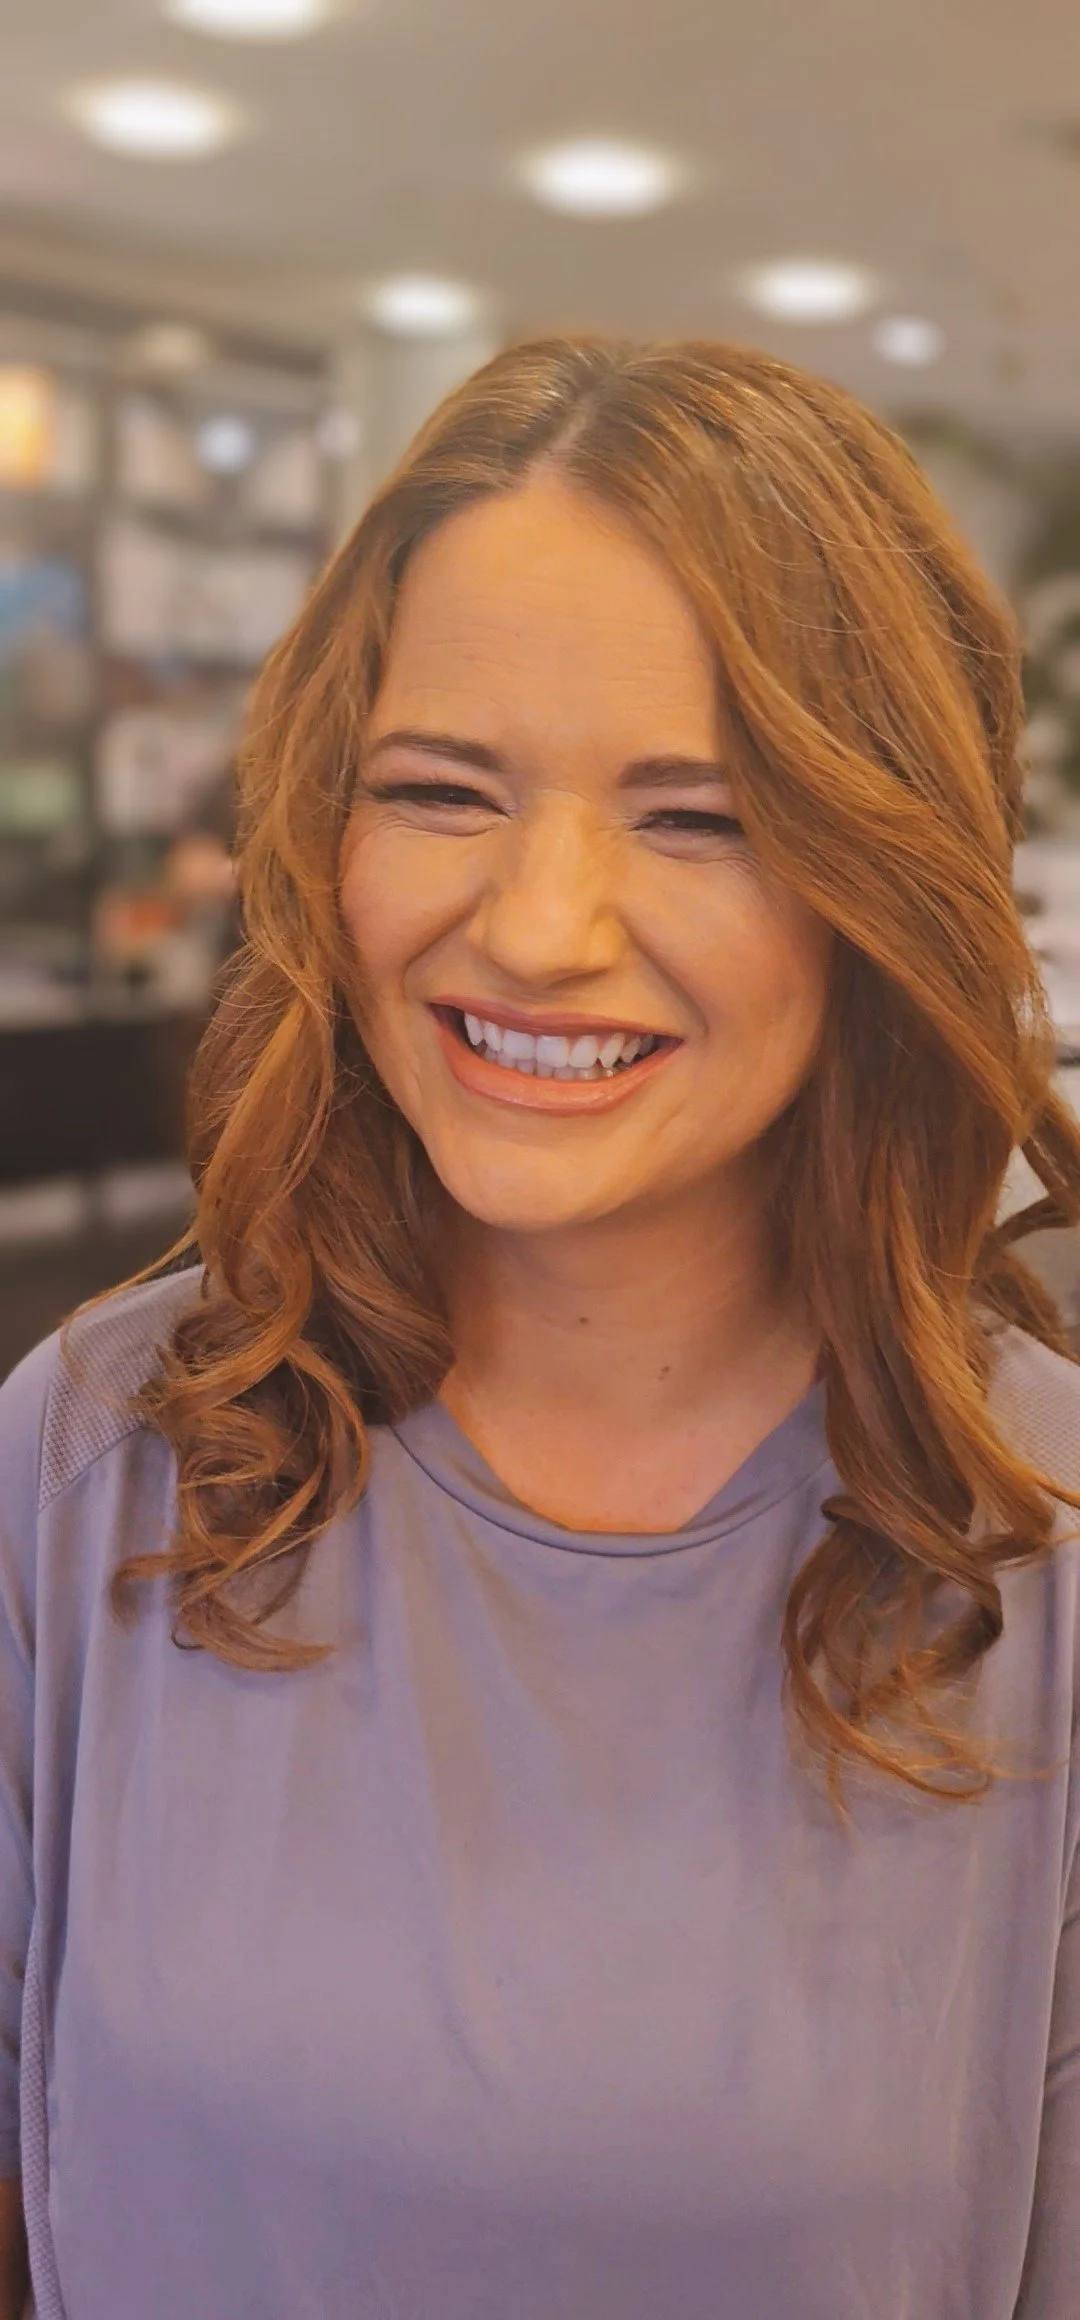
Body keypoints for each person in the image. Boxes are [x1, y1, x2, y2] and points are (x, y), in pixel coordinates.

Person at [0, 336, 1078, 2320]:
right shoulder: (97, 1458)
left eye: (698, 816)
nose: (537, 925)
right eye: (441, 790)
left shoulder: (1048, 1541)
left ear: (879, 878)